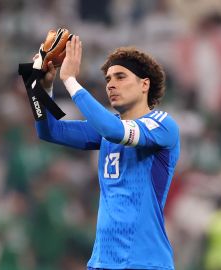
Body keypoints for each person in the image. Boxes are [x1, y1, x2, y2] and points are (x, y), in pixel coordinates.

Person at [32, 35, 180, 269]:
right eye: (108, 79)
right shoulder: (106, 127)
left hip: (145, 262)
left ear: (145, 84)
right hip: (102, 262)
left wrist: (70, 80)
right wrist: (41, 87)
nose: (111, 84)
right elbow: (50, 131)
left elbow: (114, 130)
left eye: (120, 77)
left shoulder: (162, 124)